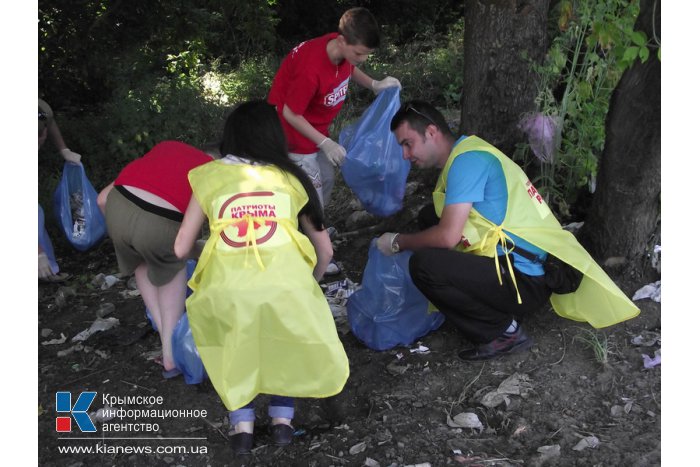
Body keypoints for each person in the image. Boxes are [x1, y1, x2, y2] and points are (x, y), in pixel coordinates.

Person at [376, 101, 639, 361]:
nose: (405, 155)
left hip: (524, 280)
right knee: (430, 216)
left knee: (424, 264)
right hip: (522, 268)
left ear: (431, 132)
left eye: (407, 144)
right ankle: (486, 303)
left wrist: (399, 242)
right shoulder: (468, 150)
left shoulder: (467, 162)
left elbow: (447, 237)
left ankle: (503, 333)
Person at [174, 101, 349, 456]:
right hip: (286, 284)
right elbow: (325, 251)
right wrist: (307, 284)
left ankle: (242, 425)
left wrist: (212, 250)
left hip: (227, 287)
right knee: (281, 337)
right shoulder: (293, 178)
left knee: (234, 343)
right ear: (274, 135)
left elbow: (180, 249)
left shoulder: (208, 176)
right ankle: (283, 423)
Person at [96, 141, 214, 377]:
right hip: (160, 223)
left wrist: (120, 229)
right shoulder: (212, 170)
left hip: (116, 210)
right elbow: (186, 241)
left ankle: (165, 338)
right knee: (172, 265)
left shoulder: (165, 148)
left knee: (141, 259)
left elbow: (101, 200)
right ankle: (171, 355)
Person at [267, 7, 401, 211]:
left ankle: (315, 228)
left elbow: (350, 67)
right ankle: (309, 235)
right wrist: (326, 143)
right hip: (294, 136)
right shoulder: (310, 70)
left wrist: (374, 85)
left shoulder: (341, 51)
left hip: (317, 131)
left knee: (327, 178)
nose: (362, 59)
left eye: (367, 54)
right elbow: (290, 113)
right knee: (311, 193)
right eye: (359, 53)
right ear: (341, 41)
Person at [38, 98, 82, 281]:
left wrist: (64, 150)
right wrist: (37, 254)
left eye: (39, 138)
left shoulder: (40, 109)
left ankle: (48, 270)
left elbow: (51, 121)